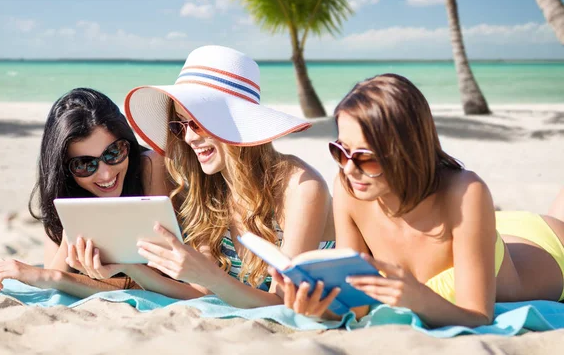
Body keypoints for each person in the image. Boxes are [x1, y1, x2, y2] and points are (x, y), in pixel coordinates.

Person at [271, 74, 564, 327]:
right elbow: (358, 306)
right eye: (341, 151)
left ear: (406, 151)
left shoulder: (466, 191)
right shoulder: (349, 188)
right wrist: (322, 310)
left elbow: (479, 316)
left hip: (549, 244)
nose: (348, 168)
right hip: (483, 229)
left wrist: (419, 300)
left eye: (365, 157)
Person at [104, 45, 335, 307]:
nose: (189, 138)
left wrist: (211, 277)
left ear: (235, 120)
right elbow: (204, 294)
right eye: (179, 126)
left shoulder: (301, 187)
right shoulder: (209, 189)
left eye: (197, 123)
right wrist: (127, 267)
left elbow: (285, 303)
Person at [0, 87, 169, 297]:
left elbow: (159, 281)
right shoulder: (63, 190)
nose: (105, 174)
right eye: (85, 164)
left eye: (114, 153)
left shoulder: (150, 166)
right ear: (65, 169)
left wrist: (56, 278)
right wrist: (74, 229)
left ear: (127, 144)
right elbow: (54, 274)